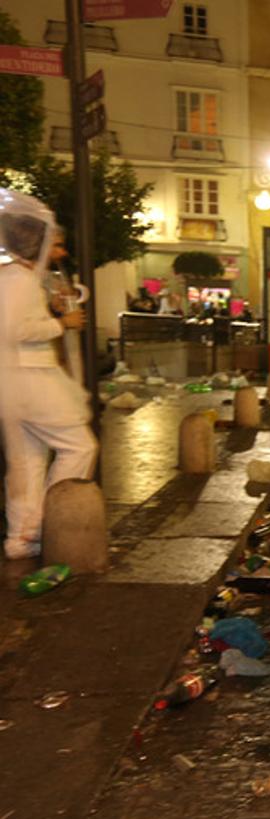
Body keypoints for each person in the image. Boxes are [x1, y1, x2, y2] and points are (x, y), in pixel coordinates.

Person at [0, 190, 98, 561]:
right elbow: (12, 330)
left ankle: (23, 538)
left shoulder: (14, 276)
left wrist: (52, 312)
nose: (59, 251)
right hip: (32, 378)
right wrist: (62, 324)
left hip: (17, 381)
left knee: (28, 459)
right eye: (54, 243)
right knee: (80, 446)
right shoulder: (19, 280)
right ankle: (53, 523)